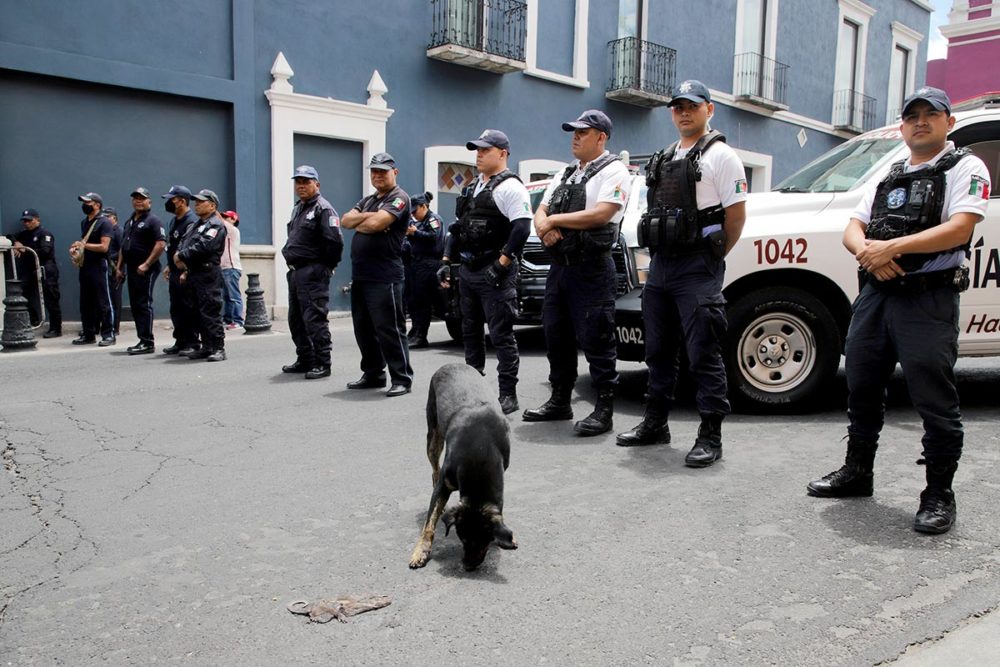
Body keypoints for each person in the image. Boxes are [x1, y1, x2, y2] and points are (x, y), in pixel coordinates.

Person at [807, 87, 991, 535]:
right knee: (862, 384)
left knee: (933, 396)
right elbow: (853, 224)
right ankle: (857, 472)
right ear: (903, 125)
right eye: (912, 116)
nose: (921, 122)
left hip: (928, 297)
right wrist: (869, 252)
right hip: (877, 293)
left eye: (932, 114)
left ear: (948, 122)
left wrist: (892, 247)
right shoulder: (888, 172)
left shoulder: (965, 166)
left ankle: (938, 494)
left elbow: (960, 227)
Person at [615, 80, 747, 468]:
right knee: (657, 350)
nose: (684, 112)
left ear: (709, 110)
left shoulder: (723, 157)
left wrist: (712, 258)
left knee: (703, 352)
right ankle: (655, 422)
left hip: (696, 266)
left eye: (692, 105)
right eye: (677, 107)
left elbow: (735, 218)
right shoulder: (663, 156)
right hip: (661, 266)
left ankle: (711, 434)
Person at [523, 110, 632, 436]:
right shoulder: (567, 172)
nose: (575, 136)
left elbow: (603, 213)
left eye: (583, 132)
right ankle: (559, 400)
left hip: (592, 269)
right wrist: (543, 226)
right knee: (555, 336)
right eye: (573, 131)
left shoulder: (614, 171)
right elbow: (541, 207)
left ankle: (604, 410)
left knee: (597, 339)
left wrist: (554, 222)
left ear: (601, 137)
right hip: (561, 269)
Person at [437, 130, 532, 414]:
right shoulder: (472, 188)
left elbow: (522, 228)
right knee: (470, 332)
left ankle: (508, 395)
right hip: (469, 270)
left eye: (485, 150)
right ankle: (473, 391)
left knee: (501, 335)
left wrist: (501, 263)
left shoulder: (511, 187)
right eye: (476, 150)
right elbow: (457, 228)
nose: (478, 155)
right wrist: (445, 259)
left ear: (502, 153)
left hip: (496, 273)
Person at [341, 152, 414, 397]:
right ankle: (374, 373)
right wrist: (368, 218)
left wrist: (365, 221)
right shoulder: (370, 200)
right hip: (362, 275)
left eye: (383, 171)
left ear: (395, 172)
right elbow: (345, 221)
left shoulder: (399, 198)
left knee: (390, 329)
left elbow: (375, 225)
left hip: (386, 276)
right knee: (363, 328)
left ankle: (402, 378)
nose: (377, 175)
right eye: (374, 171)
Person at [280, 165, 344, 380]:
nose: (301, 186)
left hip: (313, 272)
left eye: (306, 182)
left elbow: (334, 241)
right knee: (296, 319)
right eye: (298, 182)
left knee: (314, 318)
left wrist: (327, 266)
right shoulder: (299, 207)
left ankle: (323, 362)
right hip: (296, 273)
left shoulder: (323, 209)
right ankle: (305, 358)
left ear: (317, 184)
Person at [174, 189, 227, 362]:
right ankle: (206, 346)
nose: (196, 204)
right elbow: (184, 242)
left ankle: (218, 347)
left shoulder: (216, 225)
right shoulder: (194, 225)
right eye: (196, 201)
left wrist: (182, 255)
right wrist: (184, 263)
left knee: (210, 311)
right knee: (196, 311)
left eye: (201, 201)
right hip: (194, 272)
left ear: (212, 205)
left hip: (208, 273)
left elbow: (205, 246)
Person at [116, 187, 166, 355]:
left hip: (146, 268)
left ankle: (147, 341)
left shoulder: (153, 221)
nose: (138, 200)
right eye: (135, 198)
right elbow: (124, 246)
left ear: (149, 202)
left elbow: (160, 244)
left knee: (144, 304)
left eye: (142, 198)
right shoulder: (129, 221)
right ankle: (141, 339)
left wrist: (146, 264)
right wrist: (119, 267)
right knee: (136, 305)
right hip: (131, 268)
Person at [70, 192, 116, 346]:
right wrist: (77, 249)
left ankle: (108, 334)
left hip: (99, 266)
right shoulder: (85, 222)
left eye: (88, 202)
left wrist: (84, 245)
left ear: (97, 204)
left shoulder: (104, 223)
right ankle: (88, 334)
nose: (85, 205)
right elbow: (85, 245)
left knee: (103, 301)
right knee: (86, 302)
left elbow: (104, 247)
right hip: (86, 266)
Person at [7, 208, 62, 337]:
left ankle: (56, 328)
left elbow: (45, 251)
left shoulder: (45, 234)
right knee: (21, 293)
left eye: (29, 220)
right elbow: (10, 235)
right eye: (24, 221)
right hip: (30, 269)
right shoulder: (24, 234)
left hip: (45, 269)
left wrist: (25, 249)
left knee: (51, 298)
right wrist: (16, 242)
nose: (26, 223)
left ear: (37, 220)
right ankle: (34, 319)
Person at [161, 185, 201, 356]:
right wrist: (170, 265)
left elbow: (190, 249)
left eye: (172, 199)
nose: (169, 202)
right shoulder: (174, 221)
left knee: (188, 307)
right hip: (175, 271)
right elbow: (173, 247)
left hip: (186, 271)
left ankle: (192, 342)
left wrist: (186, 270)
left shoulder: (191, 221)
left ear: (182, 201)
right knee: (176, 307)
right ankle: (180, 340)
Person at [405, 191, 445, 348]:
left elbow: (433, 237)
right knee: (413, 300)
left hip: (429, 264)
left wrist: (416, 233)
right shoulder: (418, 222)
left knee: (422, 301)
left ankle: (421, 335)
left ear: (424, 206)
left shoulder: (434, 219)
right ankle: (415, 331)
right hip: (416, 264)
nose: (414, 214)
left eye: (415, 210)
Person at [220, 209, 245, 330]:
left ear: (234, 220)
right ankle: (228, 319)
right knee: (226, 296)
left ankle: (238, 320)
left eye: (227, 217)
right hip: (225, 267)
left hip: (231, 267)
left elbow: (220, 221)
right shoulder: (224, 232)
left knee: (234, 295)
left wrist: (213, 211)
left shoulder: (233, 230)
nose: (224, 219)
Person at [104, 207, 123, 336]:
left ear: (114, 218)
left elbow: (123, 250)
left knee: (115, 299)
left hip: (116, 268)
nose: (105, 219)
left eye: (107, 217)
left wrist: (118, 267)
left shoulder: (119, 231)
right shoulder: (107, 231)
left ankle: (115, 328)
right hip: (107, 267)